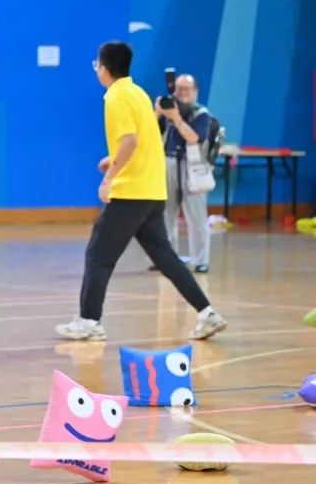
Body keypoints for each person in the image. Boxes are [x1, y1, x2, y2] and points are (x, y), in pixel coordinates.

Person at [55, 42, 227, 342]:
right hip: (152, 191)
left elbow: (130, 141)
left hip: (130, 193)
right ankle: (207, 313)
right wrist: (112, 159)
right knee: (166, 258)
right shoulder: (138, 93)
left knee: (98, 255)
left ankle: (89, 321)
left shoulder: (115, 97)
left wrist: (109, 178)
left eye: (97, 65)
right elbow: (144, 141)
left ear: (104, 68)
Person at [155, 74, 214, 273]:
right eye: (179, 88)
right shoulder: (169, 111)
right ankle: (167, 259)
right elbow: (151, 132)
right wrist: (158, 112)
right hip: (168, 162)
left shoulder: (201, 114)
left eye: (186, 88)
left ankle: (201, 260)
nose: (182, 93)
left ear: (195, 91)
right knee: (166, 214)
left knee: (196, 216)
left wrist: (176, 118)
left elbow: (194, 137)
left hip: (192, 166)